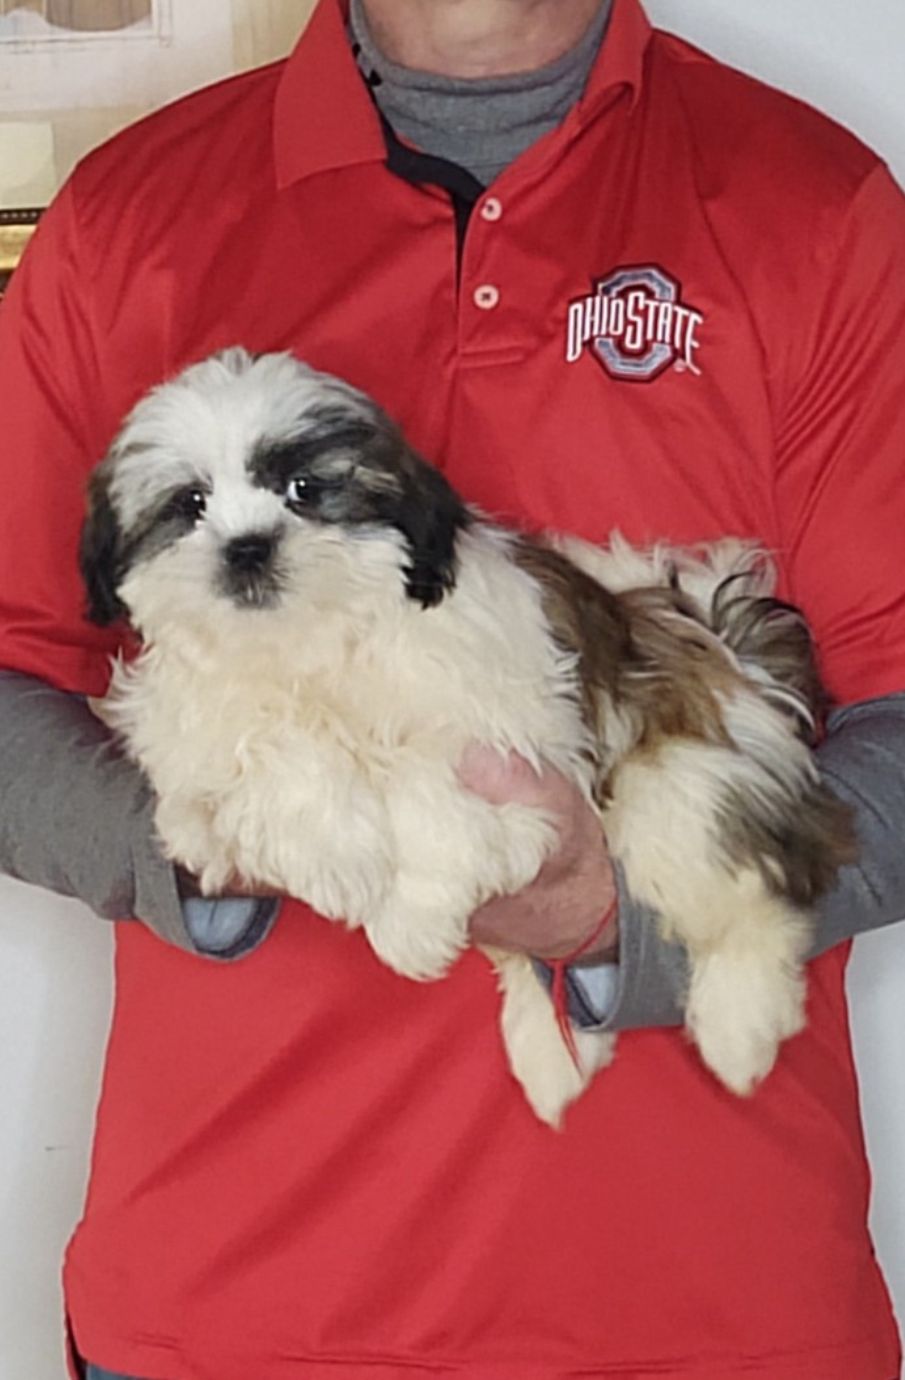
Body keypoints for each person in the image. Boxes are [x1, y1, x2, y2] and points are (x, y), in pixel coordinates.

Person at [1, 0, 905, 1376]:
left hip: (707, 1309)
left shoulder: (813, 205)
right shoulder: (134, 217)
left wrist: (627, 917)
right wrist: (191, 853)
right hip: (229, 1310)